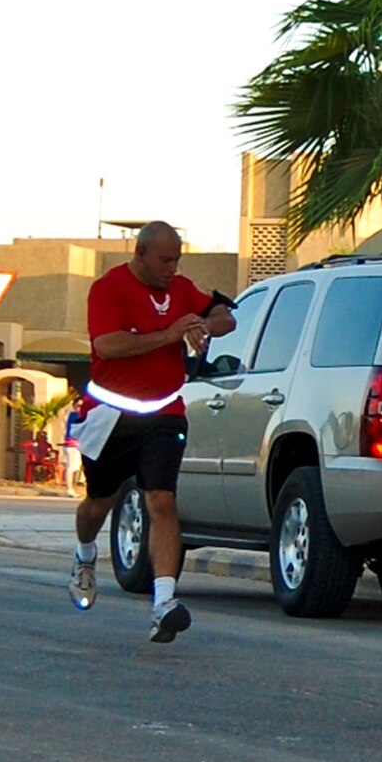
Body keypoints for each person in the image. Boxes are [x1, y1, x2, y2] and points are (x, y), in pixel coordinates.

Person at [69, 222, 235, 642]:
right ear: (141, 251)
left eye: (177, 259)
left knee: (161, 499)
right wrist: (169, 334)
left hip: (164, 413)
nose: (172, 268)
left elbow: (225, 316)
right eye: (165, 259)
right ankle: (85, 555)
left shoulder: (181, 289)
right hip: (111, 415)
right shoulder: (109, 289)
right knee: (97, 503)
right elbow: (108, 346)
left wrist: (202, 326)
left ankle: (164, 603)